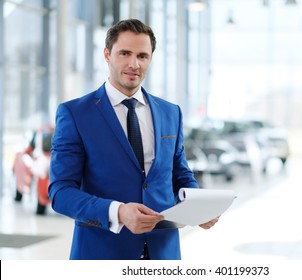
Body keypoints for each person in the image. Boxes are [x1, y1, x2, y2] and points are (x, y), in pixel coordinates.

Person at [49, 18, 218, 260]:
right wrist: (118, 212)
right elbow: (61, 192)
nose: (133, 64)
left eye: (142, 56)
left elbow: (179, 175)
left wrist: (199, 206)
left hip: (164, 253)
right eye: (125, 53)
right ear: (107, 54)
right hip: (102, 254)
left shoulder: (171, 113)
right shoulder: (76, 114)